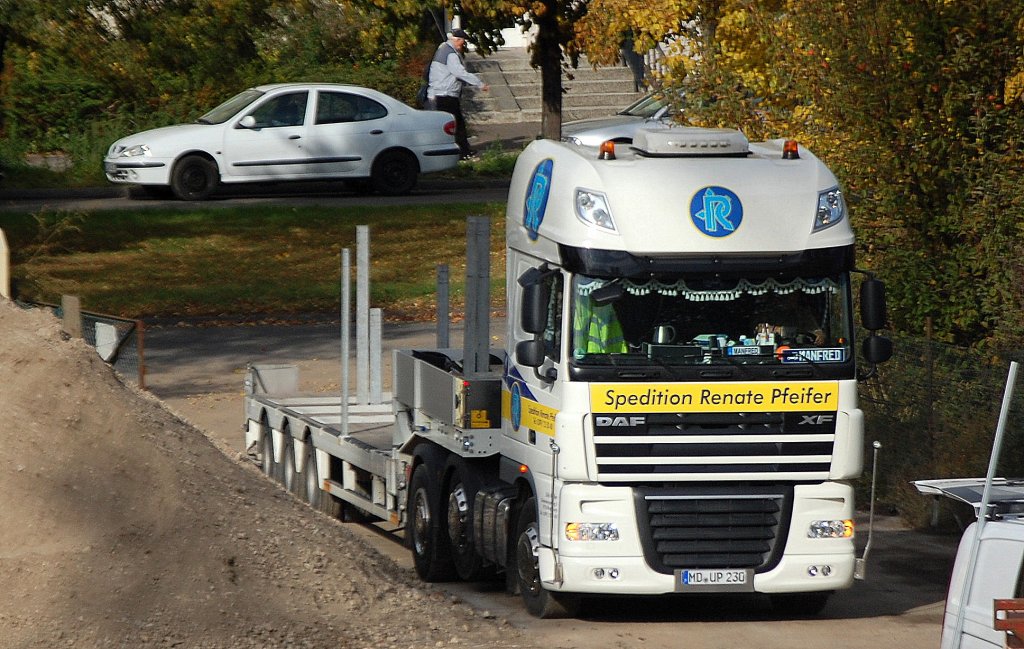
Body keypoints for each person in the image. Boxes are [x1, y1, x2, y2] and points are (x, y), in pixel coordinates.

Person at [427, 28, 490, 160]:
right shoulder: (451, 54)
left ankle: (458, 151)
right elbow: (460, 73)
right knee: (457, 124)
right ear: (457, 40)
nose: (463, 45)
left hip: (439, 93)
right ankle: (463, 153)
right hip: (445, 94)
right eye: (462, 42)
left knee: (450, 124)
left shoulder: (443, 48)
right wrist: (480, 84)